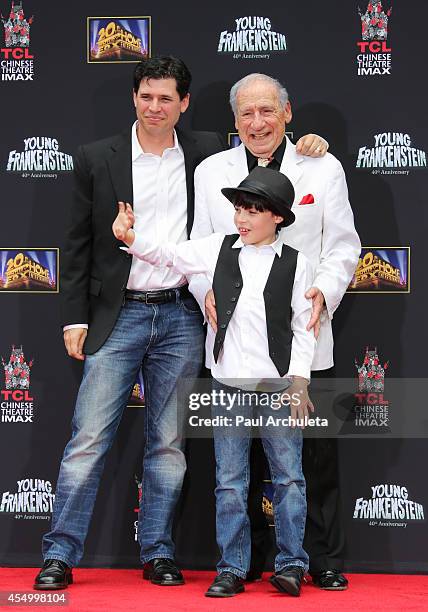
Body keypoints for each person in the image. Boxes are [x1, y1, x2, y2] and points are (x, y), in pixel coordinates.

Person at [33, 56, 327, 591]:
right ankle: (59, 554)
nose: (155, 106)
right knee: (88, 438)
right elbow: (74, 247)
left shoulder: (206, 151)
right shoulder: (98, 158)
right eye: (146, 96)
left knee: (169, 445)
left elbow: (264, 142)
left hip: (182, 316)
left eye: (166, 98)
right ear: (134, 97)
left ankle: (159, 554)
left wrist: (312, 143)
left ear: (184, 104)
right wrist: (73, 317)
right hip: (116, 313)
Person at [189, 73, 361, 589]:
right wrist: (205, 293)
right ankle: (245, 563)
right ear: (234, 120)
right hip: (235, 345)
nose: (257, 123)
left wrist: (322, 294)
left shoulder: (321, 165)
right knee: (234, 470)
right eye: (246, 113)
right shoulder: (209, 172)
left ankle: (321, 559)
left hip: (304, 339)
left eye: (267, 111)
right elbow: (198, 248)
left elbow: (344, 245)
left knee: (311, 458)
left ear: (287, 113)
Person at [112, 166, 317, 597]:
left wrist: (299, 382)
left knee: (289, 478)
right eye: (240, 208)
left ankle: (292, 564)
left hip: (279, 387)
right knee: (229, 481)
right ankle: (232, 567)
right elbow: (168, 254)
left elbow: (304, 326)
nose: (242, 218)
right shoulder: (216, 248)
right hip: (226, 385)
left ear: (277, 216)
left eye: (254, 210)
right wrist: (132, 240)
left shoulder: (299, 263)